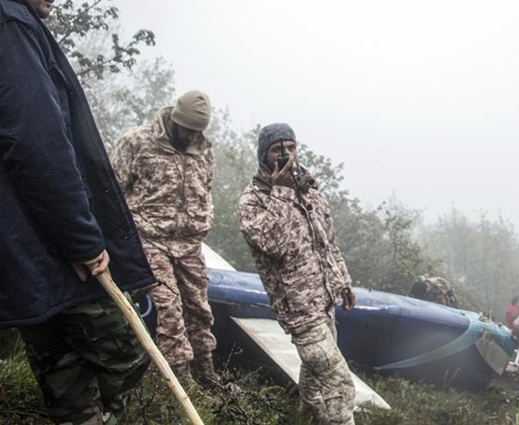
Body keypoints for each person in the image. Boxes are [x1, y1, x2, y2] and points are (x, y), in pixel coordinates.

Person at [0, 0, 155, 423]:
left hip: (22, 250)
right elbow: (36, 143)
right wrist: (82, 240)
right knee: (128, 350)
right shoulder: (11, 22)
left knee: (62, 371)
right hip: (49, 242)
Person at [238, 123, 357, 425]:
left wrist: (342, 282)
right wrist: (281, 192)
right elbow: (273, 245)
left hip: (324, 299)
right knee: (339, 383)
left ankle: (305, 417)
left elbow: (327, 242)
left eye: (291, 147)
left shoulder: (310, 191)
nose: (286, 155)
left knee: (316, 377)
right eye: (278, 150)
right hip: (299, 309)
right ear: (264, 155)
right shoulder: (254, 200)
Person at [110, 90, 218, 387]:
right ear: (175, 119)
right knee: (169, 308)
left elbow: (205, 189)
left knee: (200, 309)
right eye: (188, 129)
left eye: (199, 131)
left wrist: (205, 217)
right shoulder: (137, 142)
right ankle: (179, 382)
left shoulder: (204, 149)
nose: (192, 136)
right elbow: (113, 191)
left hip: (190, 244)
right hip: (149, 238)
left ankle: (206, 375)